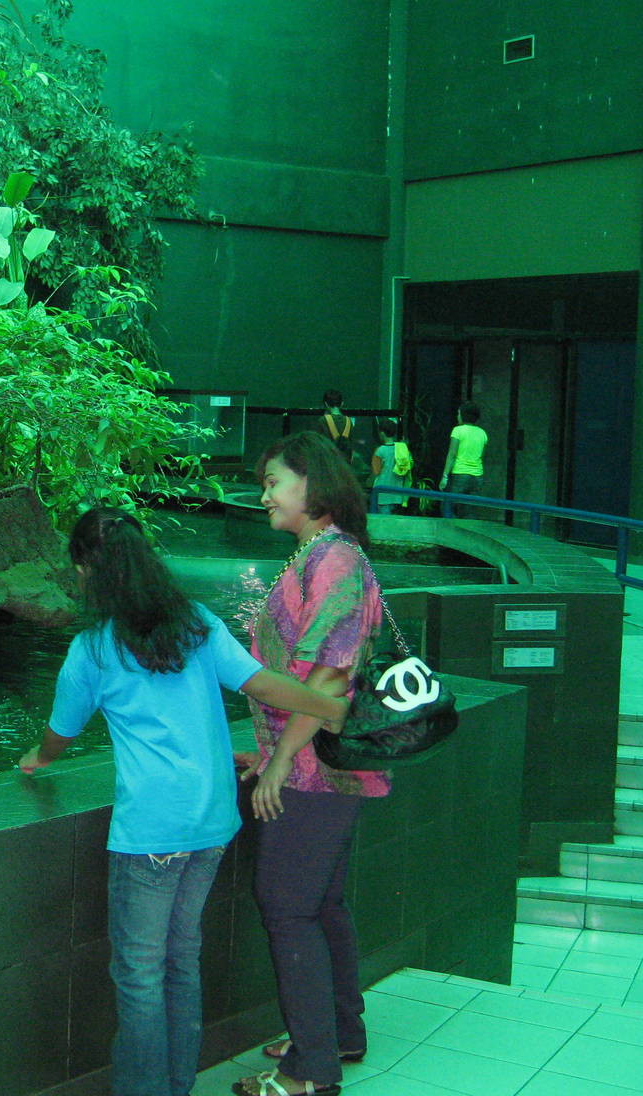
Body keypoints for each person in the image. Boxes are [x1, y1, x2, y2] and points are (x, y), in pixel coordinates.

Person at [18, 506, 348, 1096]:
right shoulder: (196, 623)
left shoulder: (93, 649)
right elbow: (260, 683)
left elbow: (61, 731)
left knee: (139, 974)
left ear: (88, 570)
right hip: (212, 822)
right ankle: (176, 1084)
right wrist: (330, 707)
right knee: (181, 960)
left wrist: (38, 759)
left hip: (152, 829)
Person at [234, 432, 388, 1096]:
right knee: (321, 903)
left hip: (313, 772)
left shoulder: (335, 561)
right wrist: (267, 750)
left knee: (287, 907)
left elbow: (329, 680)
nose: (264, 495)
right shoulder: (319, 555)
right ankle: (338, 1033)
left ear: (312, 484)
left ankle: (309, 1071)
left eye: (274, 482)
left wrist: (279, 764)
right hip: (315, 763)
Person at [440, 401, 488, 518]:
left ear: (463, 415)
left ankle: (451, 528)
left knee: (448, 506)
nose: (457, 416)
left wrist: (445, 476)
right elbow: (482, 456)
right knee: (469, 511)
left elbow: (452, 454)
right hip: (477, 477)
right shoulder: (483, 433)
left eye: (458, 413)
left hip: (460, 474)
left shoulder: (458, 430)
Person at [369, 419, 411, 515]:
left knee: (384, 522)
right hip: (398, 495)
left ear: (382, 433)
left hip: (382, 496)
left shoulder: (380, 451)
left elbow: (376, 472)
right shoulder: (402, 449)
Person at [318, 391, 353, 460]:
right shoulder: (349, 421)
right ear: (342, 403)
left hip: (329, 461)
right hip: (345, 462)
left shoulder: (323, 420)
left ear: (326, 404)